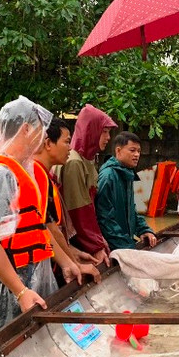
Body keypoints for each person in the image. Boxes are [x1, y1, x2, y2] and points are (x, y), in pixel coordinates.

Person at [0, 96, 80, 343]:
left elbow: (38, 226)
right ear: (26, 129)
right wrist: (21, 291)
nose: (42, 138)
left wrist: (64, 261)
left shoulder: (28, 170)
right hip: (7, 288)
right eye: (40, 130)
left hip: (33, 275)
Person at [33, 117, 101, 287]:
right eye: (66, 142)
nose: (70, 148)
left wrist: (73, 252)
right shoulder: (37, 178)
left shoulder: (46, 177)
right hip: (40, 268)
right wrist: (73, 263)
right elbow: (49, 228)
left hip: (50, 262)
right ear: (48, 144)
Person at [57, 105, 117, 266]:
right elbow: (78, 212)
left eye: (109, 132)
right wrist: (96, 246)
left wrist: (99, 240)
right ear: (91, 130)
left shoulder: (87, 160)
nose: (108, 137)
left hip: (79, 241)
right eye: (104, 131)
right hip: (74, 244)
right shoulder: (74, 162)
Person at [95, 131, 156, 250]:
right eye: (132, 150)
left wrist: (144, 230)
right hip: (115, 246)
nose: (137, 155)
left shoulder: (126, 174)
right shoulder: (108, 177)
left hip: (124, 242)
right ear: (118, 151)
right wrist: (126, 245)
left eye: (138, 151)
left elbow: (131, 210)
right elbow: (104, 218)